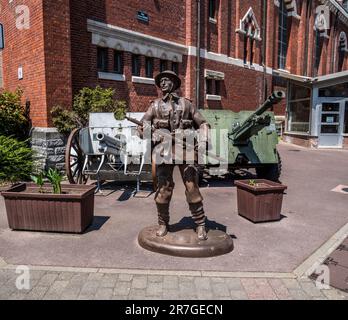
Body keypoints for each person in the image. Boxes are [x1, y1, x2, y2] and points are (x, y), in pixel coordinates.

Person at [138, 70, 210, 240]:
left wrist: (203, 140)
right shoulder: (154, 106)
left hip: (186, 151)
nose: (162, 83)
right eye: (160, 81)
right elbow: (141, 127)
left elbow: (203, 123)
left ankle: (200, 224)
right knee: (163, 189)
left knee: (192, 187)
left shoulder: (187, 104)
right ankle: (163, 223)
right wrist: (149, 133)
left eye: (166, 80)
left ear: (174, 83)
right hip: (164, 151)